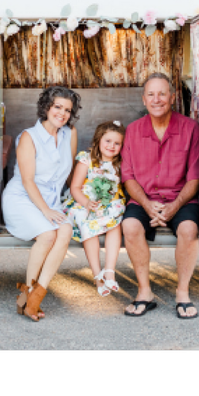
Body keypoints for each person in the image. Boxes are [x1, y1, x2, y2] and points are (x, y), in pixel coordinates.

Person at [120, 73, 199, 319]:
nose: (157, 99)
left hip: (181, 197)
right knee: (131, 226)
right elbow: (128, 177)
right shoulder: (133, 131)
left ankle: (182, 293)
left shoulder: (191, 129)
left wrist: (173, 207)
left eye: (162, 94)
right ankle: (144, 292)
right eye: (151, 94)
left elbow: (194, 178)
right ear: (144, 100)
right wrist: (148, 206)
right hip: (144, 198)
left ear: (172, 98)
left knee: (188, 230)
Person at [2, 86, 80, 322]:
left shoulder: (70, 133)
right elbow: (27, 181)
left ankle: (36, 296)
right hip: (23, 198)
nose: (62, 113)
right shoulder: (29, 137)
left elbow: (69, 172)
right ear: (46, 107)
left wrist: (73, 199)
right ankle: (26, 293)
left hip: (51, 200)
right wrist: (45, 210)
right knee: (48, 235)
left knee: (65, 230)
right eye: (57, 107)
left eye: (67, 110)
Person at [63, 121, 126, 297]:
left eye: (117, 143)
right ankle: (97, 274)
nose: (112, 146)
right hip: (85, 202)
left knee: (115, 222)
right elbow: (75, 187)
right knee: (86, 221)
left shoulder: (120, 163)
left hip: (110, 203)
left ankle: (110, 271)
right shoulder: (87, 159)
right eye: (108, 141)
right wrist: (85, 202)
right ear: (98, 140)